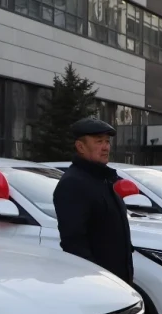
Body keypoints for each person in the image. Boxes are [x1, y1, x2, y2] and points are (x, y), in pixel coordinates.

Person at [53, 117, 134, 283]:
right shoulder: (73, 183)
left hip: (118, 280)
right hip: (98, 282)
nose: (106, 147)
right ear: (80, 147)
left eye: (107, 141)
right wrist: (95, 280)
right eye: (99, 141)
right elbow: (74, 243)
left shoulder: (105, 179)